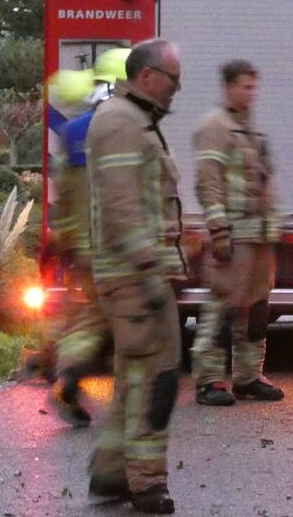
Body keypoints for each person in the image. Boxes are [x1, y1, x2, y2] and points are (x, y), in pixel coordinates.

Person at [85, 38, 184, 514]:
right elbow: (123, 206)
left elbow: (144, 199)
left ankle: (111, 472)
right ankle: (146, 483)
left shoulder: (133, 119)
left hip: (136, 273)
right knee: (155, 379)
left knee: (133, 377)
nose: (177, 88)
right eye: (173, 79)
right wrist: (148, 266)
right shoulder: (121, 122)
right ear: (147, 76)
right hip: (133, 277)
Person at [191, 59, 283, 406]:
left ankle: (248, 377)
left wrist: (273, 228)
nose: (251, 93)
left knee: (256, 309)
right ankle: (209, 381)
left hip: (257, 235)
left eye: (254, 87)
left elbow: (265, 182)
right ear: (229, 87)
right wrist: (218, 230)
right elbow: (208, 182)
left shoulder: (251, 131)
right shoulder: (214, 127)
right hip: (234, 233)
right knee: (222, 308)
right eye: (246, 86)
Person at [49, 47, 130, 427]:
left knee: (92, 315)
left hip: (84, 246)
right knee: (122, 318)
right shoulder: (123, 129)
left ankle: (67, 368)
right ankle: (80, 375)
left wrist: (67, 240)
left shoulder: (72, 131)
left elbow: (64, 192)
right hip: (117, 244)